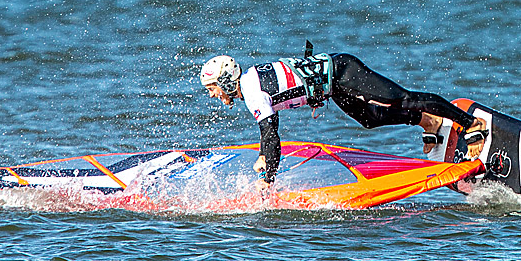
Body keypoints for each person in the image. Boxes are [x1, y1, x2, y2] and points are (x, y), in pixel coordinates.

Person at [199, 48, 488, 188]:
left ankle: (470, 123)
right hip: (332, 87)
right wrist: (265, 155)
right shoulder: (250, 82)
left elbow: (271, 135)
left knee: (400, 98)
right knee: (370, 119)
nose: (212, 95)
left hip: (342, 71)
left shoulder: (251, 90)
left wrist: (267, 181)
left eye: (212, 88)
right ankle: (429, 122)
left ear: (225, 81)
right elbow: (269, 136)